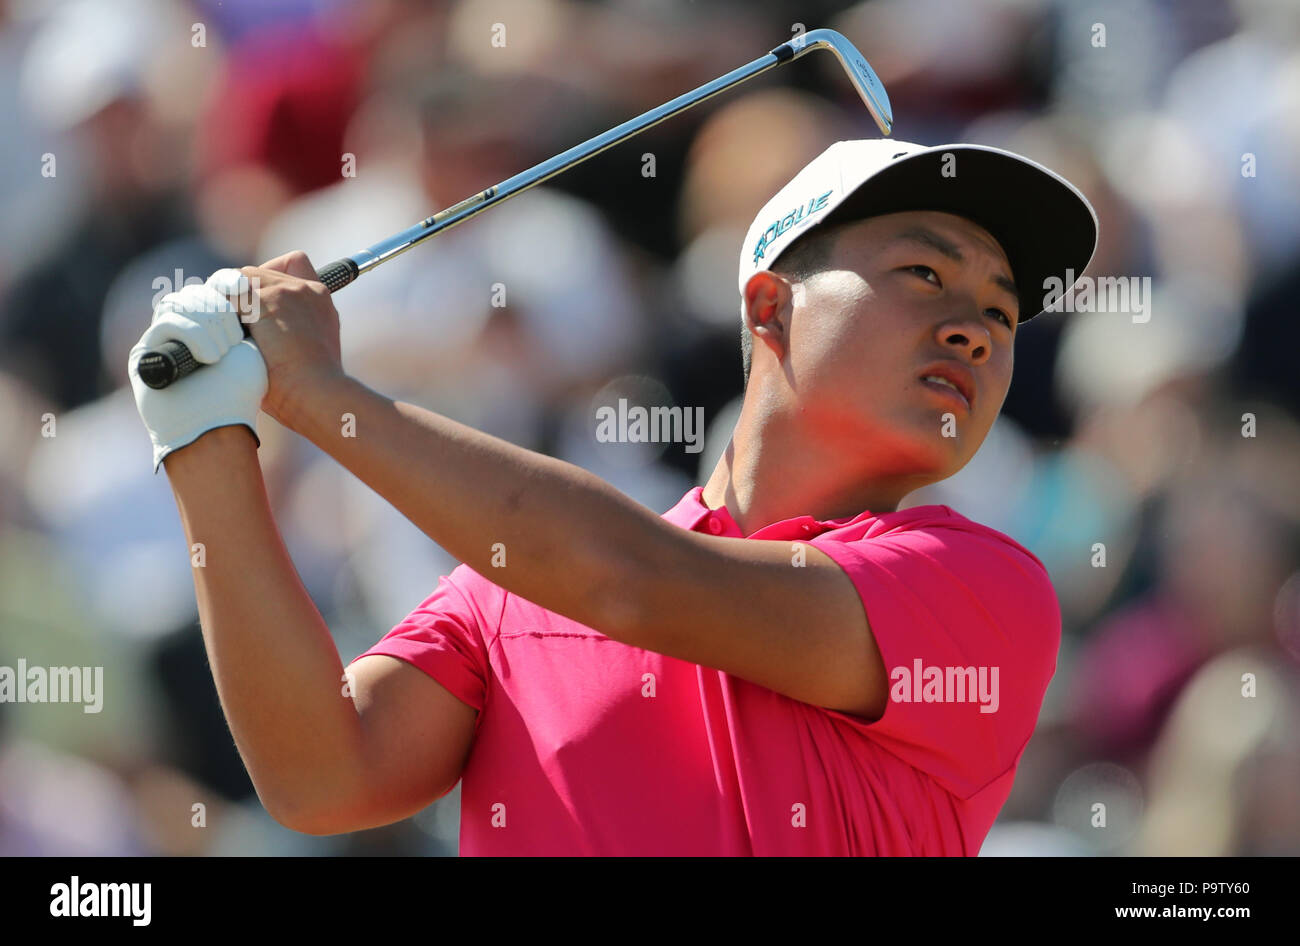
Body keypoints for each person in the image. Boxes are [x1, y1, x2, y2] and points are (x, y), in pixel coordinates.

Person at [127, 138, 1097, 855]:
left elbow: (628, 581)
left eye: (999, 311)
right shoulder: (509, 584)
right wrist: (204, 440)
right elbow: (321, 775)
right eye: (924, 273)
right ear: (768, 306)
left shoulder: (987, 585)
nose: (972, 329)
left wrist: (318, 394)